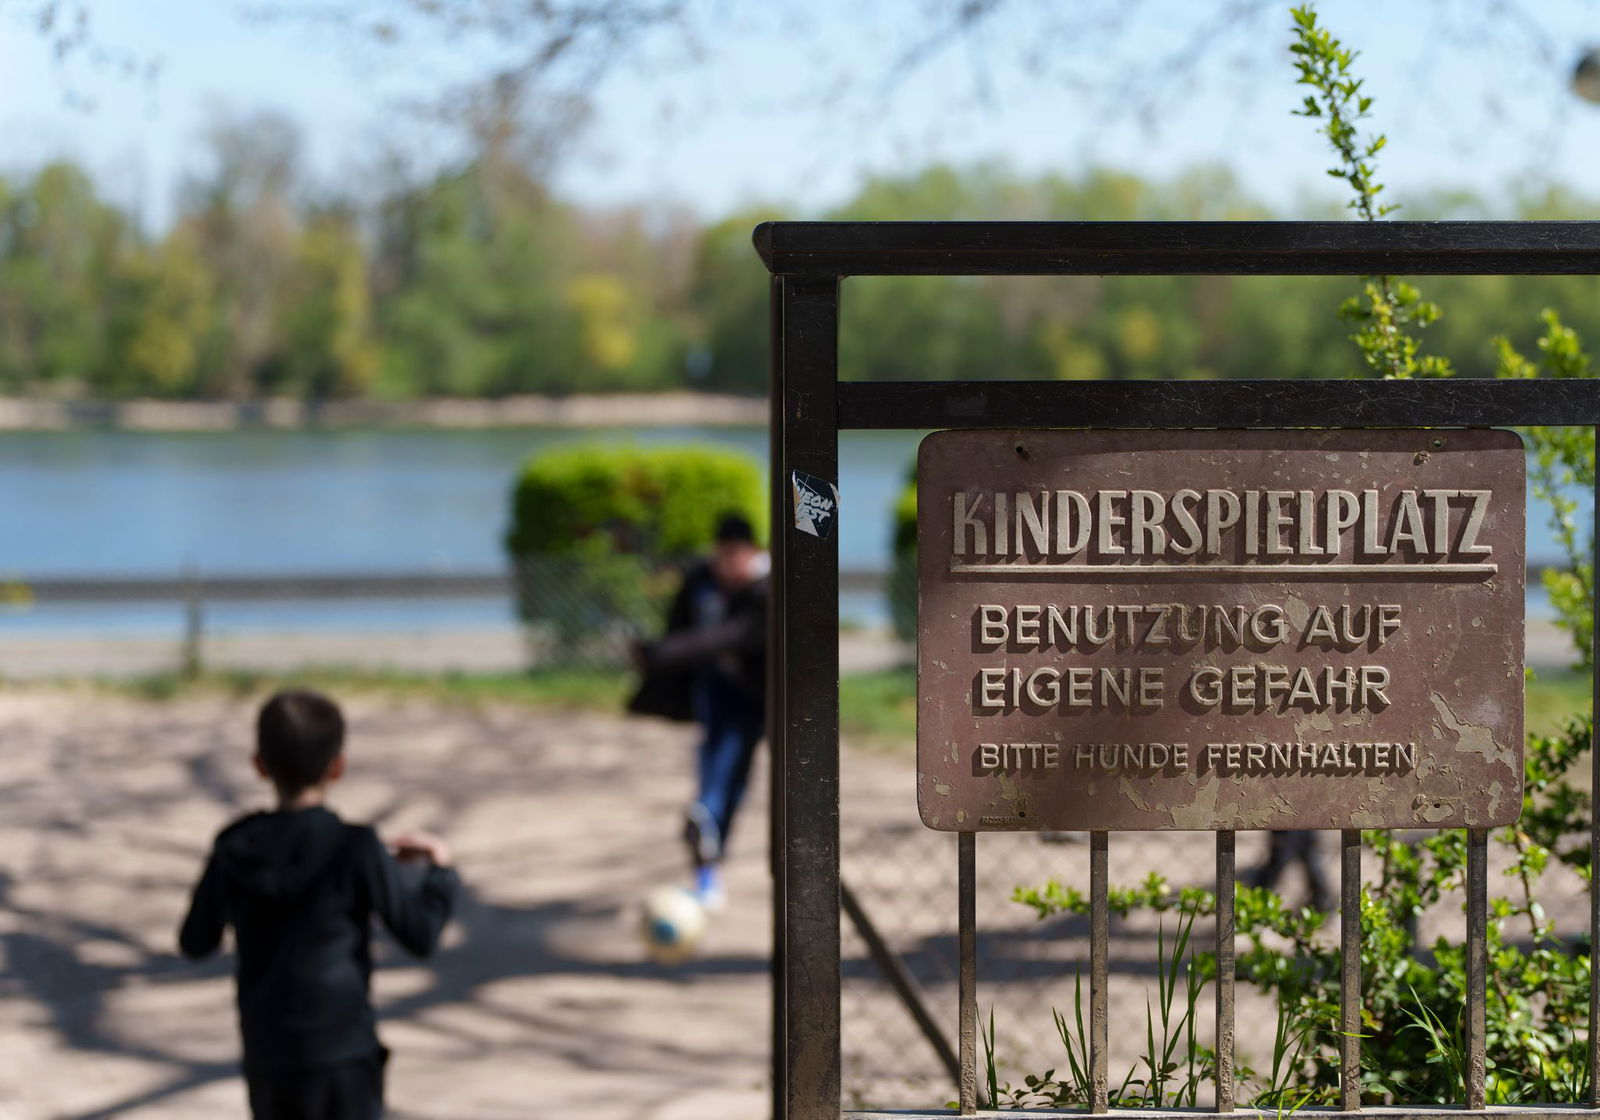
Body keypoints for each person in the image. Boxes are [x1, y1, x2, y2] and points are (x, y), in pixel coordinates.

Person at [179, 688, 459, 1120]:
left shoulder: (234, 847)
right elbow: (419, 934)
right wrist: (439, 872)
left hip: (268, 1055)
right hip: (343, 1055)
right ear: (338, 767)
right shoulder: (356, 848)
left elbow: (196, 941)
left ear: (259, 765)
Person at [630, 511, 769, 909]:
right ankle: (707, 845)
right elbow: (680, 627)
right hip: (714, 689)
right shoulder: (700, 579)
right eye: (720, 555)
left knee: (735, 776)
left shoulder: (769, 588)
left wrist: (660, 653)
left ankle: (708, 819)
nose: (725, 565)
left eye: (734, 556)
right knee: (716, 765)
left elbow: (730, 636)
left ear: (752, 553)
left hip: (761, 697)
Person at [1245, 829, 1330, 912]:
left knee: (1311, 865)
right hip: (1287, 830)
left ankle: (1321, 904)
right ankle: (1256, 902)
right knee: (1275, 867)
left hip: (1300, 829)